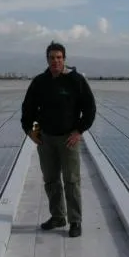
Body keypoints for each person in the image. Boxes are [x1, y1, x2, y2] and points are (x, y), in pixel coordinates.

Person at [21, 41, 97, 237]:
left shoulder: (75, 80)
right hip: (46, 140)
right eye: (52, 58)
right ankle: (58, 217)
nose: (55, 61)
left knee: (71, 180)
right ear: (47, 59)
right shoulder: (40, 82)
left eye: (59, 58)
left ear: (64, 59)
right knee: (51, 180)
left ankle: (75, 221)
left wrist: (79, 131)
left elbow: (89, 109)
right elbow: (29, 110)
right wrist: (32, 131)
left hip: (68, 139)